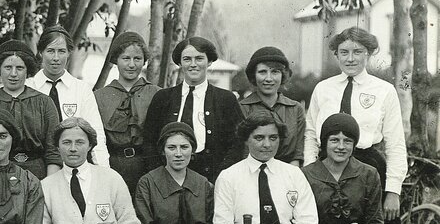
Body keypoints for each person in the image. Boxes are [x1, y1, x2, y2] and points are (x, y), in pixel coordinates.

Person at [304, 27, 409, 224]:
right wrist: (308, 173)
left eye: (357, 52)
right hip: (325, 168)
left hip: (368, 168)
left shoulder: (383, 90)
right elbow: (309, 134)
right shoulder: (323, 88)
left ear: (369, 53)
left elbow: (396, 143)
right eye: (344, 52)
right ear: (336, 55)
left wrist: (393, 190)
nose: (350, 58)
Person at [142, 36, 243, 183]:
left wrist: (221, 178)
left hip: (213, 180)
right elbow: (149, 141)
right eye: (187, 59)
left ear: (209, 62)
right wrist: (160, 176)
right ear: (180, 63)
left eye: (199, 59)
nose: (193, 64)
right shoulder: (163, 98)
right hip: (168, 179)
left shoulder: (226, 100)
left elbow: (237, 144)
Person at [27, 25, 109, 167]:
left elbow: (97, 135)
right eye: (50, 51)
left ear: (69, 53)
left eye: (61, 51)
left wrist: (103, 172)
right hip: (37, 166)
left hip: (73, 166)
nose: (56, 58)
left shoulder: (81, 89)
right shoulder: (28, 87)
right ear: (40, 52)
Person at [0, 40, 61, 179]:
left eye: (19, 68)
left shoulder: (44, 102)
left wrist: (48, 185)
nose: (13, 74)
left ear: (27, 70)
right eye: (8, 67)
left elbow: (53, 151)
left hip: (37, 173)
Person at [94, 32, 159, 191]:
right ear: (116, 60)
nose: (131, 64)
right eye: (126, 58)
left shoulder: (157, 94)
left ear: (144, 61)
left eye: (137, 59)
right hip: (112, 167)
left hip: (148, 168)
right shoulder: (99, 97)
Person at [237, 47, 306, 166]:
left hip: (287, 175)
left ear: (283, 75)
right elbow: (240, 151)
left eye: (275, 72)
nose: (269, 78)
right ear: (254, 75)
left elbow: (297, 154)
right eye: (262, 72)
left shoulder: (295, 109)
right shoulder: (241, 108)